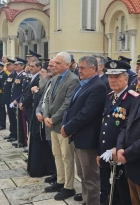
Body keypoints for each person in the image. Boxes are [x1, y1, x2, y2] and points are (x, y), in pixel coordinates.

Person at [61, 56, 106, 205]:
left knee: (90, 178)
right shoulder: (84, 84)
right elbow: (71, 107)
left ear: (93, 69)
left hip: (88, 140)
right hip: (78, 137)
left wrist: (68, 128)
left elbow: (86, 113)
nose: (78, 70)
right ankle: (86, 201)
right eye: (78, 67)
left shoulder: (97, 86)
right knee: (82, 175)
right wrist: (65, 124)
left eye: (82, 68)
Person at [97, 60, 134, 205]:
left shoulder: (133, 99)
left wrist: (118, 149)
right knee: (106, 191)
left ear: (126, 78)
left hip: (121, 155)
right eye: (110, 77)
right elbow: (104, 127)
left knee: (122, 194)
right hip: (106, 155)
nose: (113, 80)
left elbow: (130, 130)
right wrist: (99, 152)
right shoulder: (109, 97)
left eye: (117, 77)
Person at [44, 51, 80, 201]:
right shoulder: (55, 78)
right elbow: (47, 99)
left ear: (67, 64)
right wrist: (46, 116)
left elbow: (67, 103)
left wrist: (54, 118)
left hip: (63, 125)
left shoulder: (73, 80)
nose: (55, 65)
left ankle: (69, 186)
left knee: (66, 156)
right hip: (52, 123)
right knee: (57, 154)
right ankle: (60, 181)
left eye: (58, 63)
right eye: (55, 63)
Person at [27, 60, 55, 177]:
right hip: (38, 117)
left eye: (43, 72)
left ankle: (52, 172)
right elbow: (42, 100)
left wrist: (37, 92)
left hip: (48, 121)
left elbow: (47, 100)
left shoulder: (51, 82)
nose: (41, 75)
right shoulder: (46, 82)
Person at [36, 58, 58, 183]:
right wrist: (39, 112)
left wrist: (46, 116)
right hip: (45, 118)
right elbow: (44, 100)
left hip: (53, 121)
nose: (49, 68)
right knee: (51, 150)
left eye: (52, 66)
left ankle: (59, 176)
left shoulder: (58, 81)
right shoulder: (50, 81)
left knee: (57, 152)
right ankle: (55, 173)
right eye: (48, 66)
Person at [117, 95, 140, 205]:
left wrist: (127, 154)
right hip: (131, 169)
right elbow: (126, 126)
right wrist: (120, 147)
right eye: (139, 79)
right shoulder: (137, 100)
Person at [10, 57, 27, 147]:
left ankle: (23, 141)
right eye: (15, 65)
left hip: (19, 101)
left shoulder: (23, 75)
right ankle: (19, 139)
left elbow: (23, 91)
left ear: (22, 66)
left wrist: (17, 100)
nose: (15, 66)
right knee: (18, 122)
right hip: (15, 101)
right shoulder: (17, 75)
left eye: (17, 65)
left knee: (21, 122)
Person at [2, 58, 17, 141]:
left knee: (13, 118)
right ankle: (12, 133)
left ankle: (15, 134)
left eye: (9, 65)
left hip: (12, 100)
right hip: (8, 99)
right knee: (11, 118)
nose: (6, 67)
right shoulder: (12, 74)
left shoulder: (15, 75)